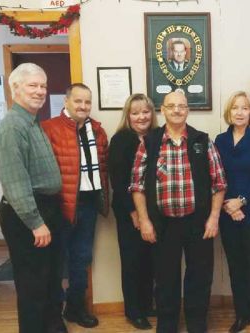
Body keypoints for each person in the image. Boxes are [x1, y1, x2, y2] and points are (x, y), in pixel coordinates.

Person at [130, 91, 227, 333]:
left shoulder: (202, 141)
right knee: (165, 280)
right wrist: (144, 220)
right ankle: (167, 326)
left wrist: (214, 218)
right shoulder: (149, 143)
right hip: (163, 225)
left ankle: (196, 325)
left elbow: (219, 183)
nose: (176, 110)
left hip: (198, 223)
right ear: (162, 110)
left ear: (187, 110)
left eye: (181, 106)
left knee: (199, 278)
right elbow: (137, 185)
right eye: (171, 106)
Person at [0, 63, 66, 333]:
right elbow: (14, 181)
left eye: (43, 85)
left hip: (46, 208)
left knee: (49, 280)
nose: (40, 91)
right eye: (33, 85)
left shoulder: (32, 122)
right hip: (28, 213)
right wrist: (35, 222)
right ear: (15, 89)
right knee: (33, 286)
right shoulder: (13, 126)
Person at [41, 83, 109, 328]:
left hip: (88, 204)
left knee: (81, 258)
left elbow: (103, 167)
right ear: (66, 102)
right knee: (57, 260)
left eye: (87, 102)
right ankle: (53, 314)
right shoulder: (49, 128)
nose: (83, 106)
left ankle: (75, 308)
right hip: (59, 206)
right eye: (78, 101)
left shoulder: (98, 131)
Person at [215, 91, 250, 333]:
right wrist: (230, 205)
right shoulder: (220, 140)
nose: (239, 112)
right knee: (236, 267)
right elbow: (216, 176)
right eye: (235, 108)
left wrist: (242, 201)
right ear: (228, 112)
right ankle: (242, 316)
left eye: (244, 108)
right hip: (228, 214)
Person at [109, 94, 158, 330]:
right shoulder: (121, 140)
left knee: (150, 260)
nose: (142, 117)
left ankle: (148, 303)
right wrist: (134, 213)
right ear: (128, 116)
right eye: (136, 112)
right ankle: (134, 310)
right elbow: (118, 182)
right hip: (129, 211)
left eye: (146, 111)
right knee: (132, 261)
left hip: (155, 211)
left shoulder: (158, 137)